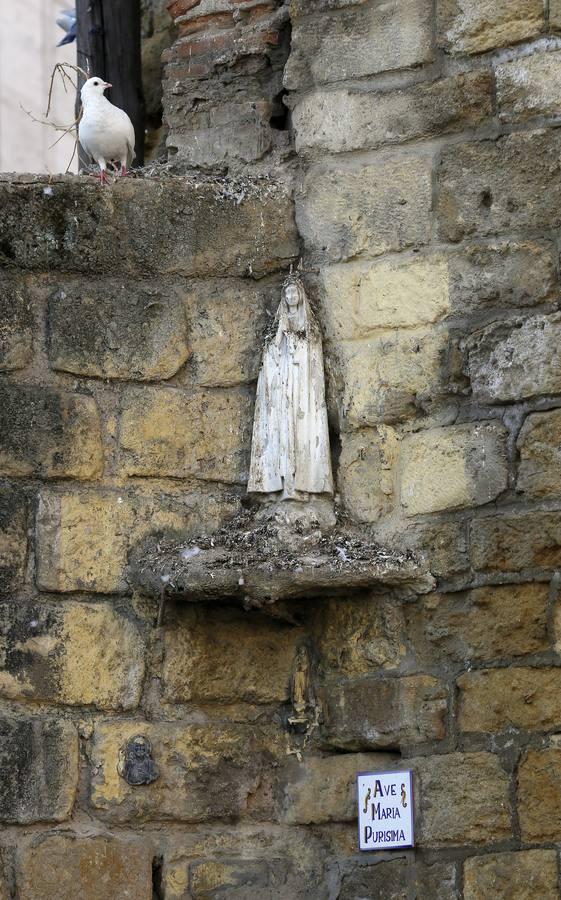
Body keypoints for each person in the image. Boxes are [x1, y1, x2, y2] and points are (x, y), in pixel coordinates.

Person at [248, 274, 333, 500]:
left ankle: (304, 484)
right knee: (283, 428)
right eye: (287, 293)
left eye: (294, 292)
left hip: (303, 383)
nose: (291, 296)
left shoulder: (310, 325)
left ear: (300, 295)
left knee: (302, 428)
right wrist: (280, 332)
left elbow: (312, 352)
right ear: (284, 297)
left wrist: (294, 339)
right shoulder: (279, 322)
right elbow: (271, 352)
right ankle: (285, 484)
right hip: (283, 382)